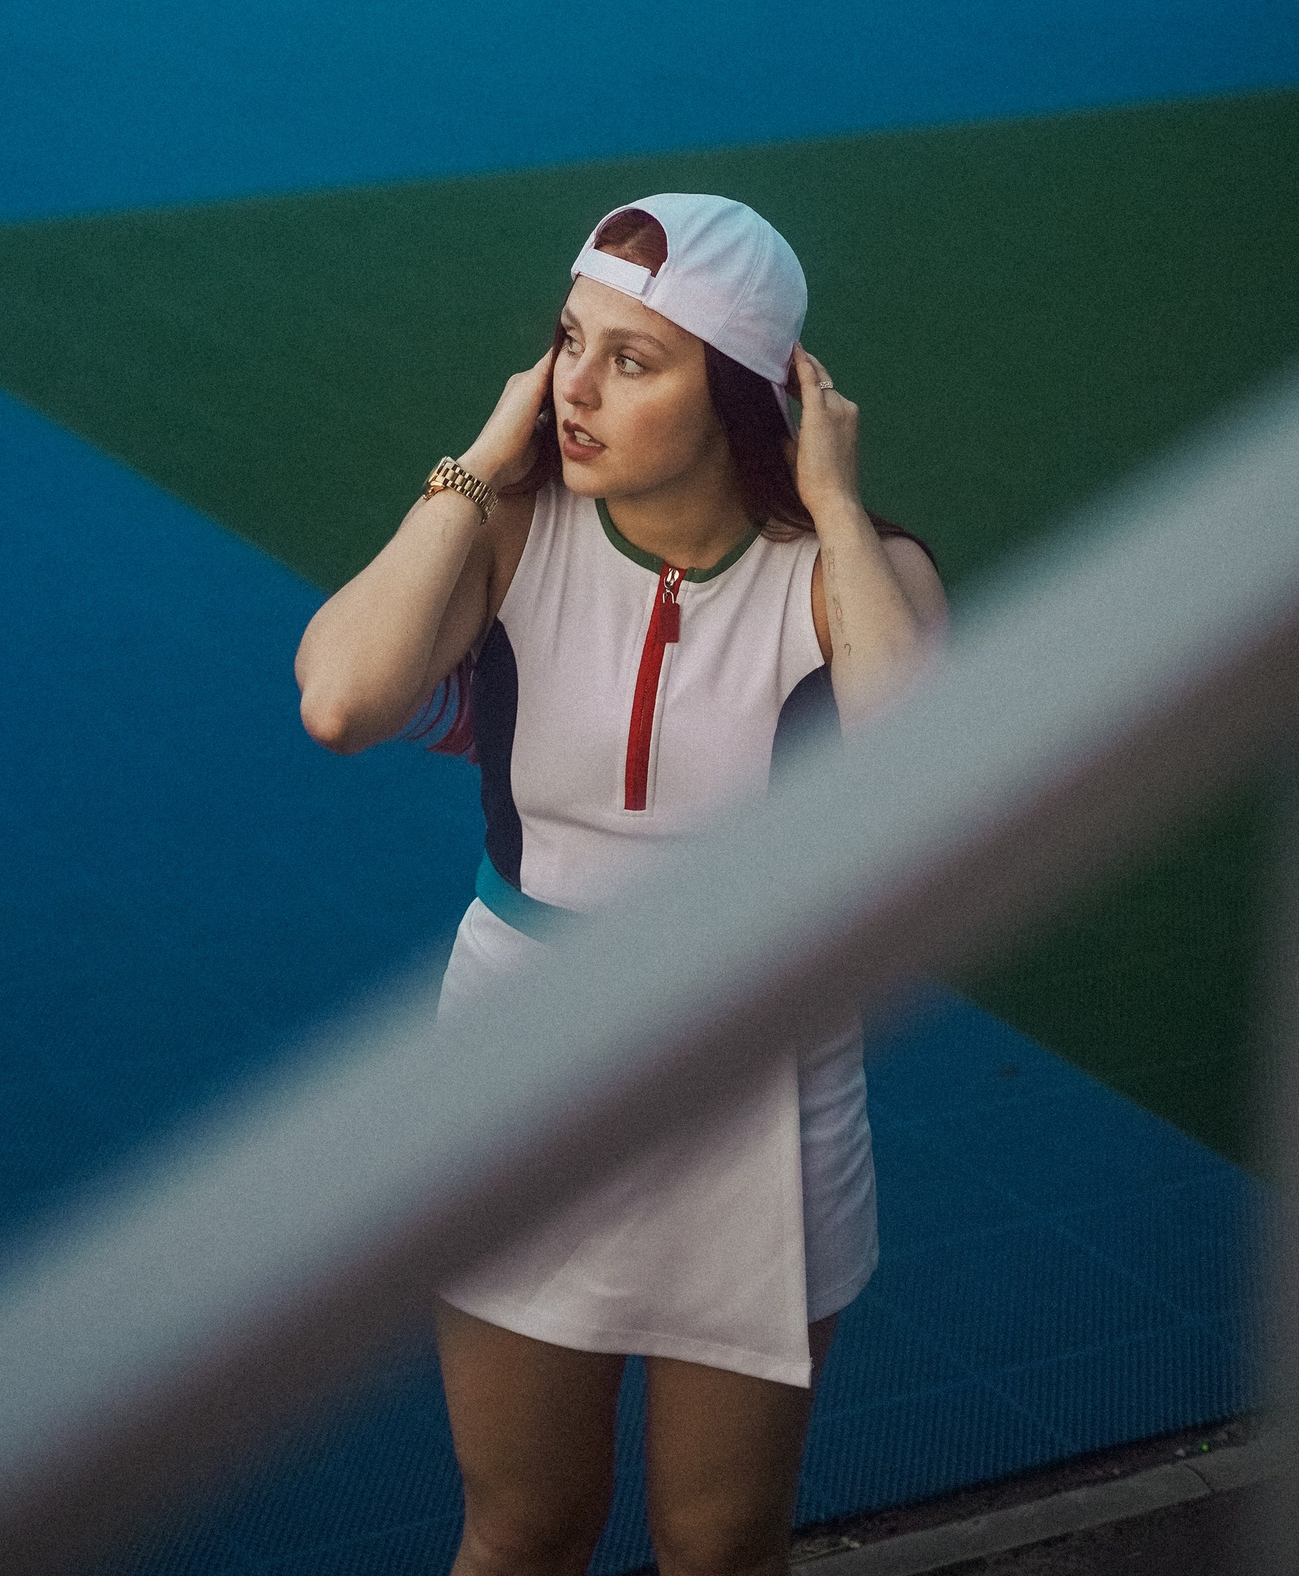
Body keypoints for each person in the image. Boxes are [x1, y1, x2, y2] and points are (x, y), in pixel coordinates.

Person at [294, 194, 948, 1576]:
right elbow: (342, 701)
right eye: (567, 342)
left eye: (632, 360)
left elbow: (931, 792)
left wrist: (834, 507)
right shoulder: (513, 532)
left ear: (743, 396)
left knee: (720, 1544)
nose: (574, 389)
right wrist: (480, 462)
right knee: (523, 1529)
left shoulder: (857, 575)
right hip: (520, 1059)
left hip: (758, 1078)